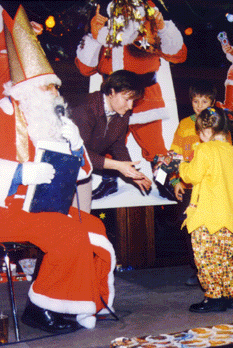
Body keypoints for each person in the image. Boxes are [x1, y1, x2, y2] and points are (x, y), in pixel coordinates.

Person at [0, 5, 116, 333]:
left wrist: (75, 146)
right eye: (48, 89)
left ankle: (86, 302)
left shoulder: (50, 121)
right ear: (26, 92)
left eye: (54, 88)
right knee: (67, 233)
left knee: (94, 227)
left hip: (42, 208)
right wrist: (19, 173)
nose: (54, 95)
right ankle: (40, 307)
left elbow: (79, 174)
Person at [76, 0, 187, 163]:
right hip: (112, 101)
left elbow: (179, 55)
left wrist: (163, 30)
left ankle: (168, 183)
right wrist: (94, 38)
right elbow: (85, 69)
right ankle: (109, 182)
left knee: (156, 150)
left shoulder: (149, 30)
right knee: (105, 150)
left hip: (145, 99)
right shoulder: (102, 32)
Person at [178, 107, 233, 313]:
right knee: (224, 259)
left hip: (207, 217)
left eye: (200, 132)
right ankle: (229, 295)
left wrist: (181, 166)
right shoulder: (232, 152)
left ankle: (213, 297)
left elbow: (192, 176)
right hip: (229, 218)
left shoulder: (204, 150)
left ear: (206, 131)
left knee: (206, 259)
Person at [69, 69, 152, 212]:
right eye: (127, 99)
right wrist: (118, 166)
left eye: (134, 101)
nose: (130, 106)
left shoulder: (123, 112)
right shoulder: (85, 108)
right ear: (111, 92)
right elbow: (79, 153)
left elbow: (117, 144)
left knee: (82, 217)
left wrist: (132, 172)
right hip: (63, 167)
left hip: (84, 170)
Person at [169, 80, 216, 286]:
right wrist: (175, 180)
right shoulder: (184, 125)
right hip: (188, 187)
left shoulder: (219, 123)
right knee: (191, 229)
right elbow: (174, 156)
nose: (199, 105)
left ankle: (220, 268)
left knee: (213, 228)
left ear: (212, 102)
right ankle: (197, 269)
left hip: (211, 187)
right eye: (196, 101)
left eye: (204, 101)